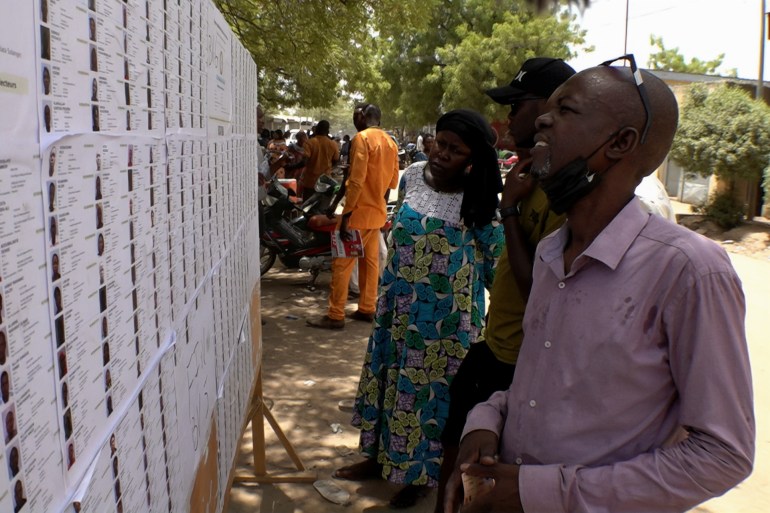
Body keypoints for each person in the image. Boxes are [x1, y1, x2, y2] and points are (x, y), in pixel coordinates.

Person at [444, 57, 755, 513]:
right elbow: (537, 388)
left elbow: (722, 455)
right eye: (547, 107)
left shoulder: (690, 271)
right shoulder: (551, 253)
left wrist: (542, 491)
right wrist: (485, 421)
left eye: (566, 110)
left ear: (620, 142)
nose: (544, 118)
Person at [332, 109, 504, 509]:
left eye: (454, 149)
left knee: (427, 398)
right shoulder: (413, 177)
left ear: (473, 158)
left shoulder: (478, 199)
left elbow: (497, 262)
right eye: (440, 143)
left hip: (443, 326)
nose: (442, 153)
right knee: (389, 378)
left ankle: (420, 476)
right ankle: (378, 458)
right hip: (396, 309)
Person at [434, 57, 575, 512]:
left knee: (487, 477)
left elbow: (541, 286)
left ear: (552, 108)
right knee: (454, 448)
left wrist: (510, 211)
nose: (509, 117)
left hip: (519, 359)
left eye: (518, 105)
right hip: (493, 344)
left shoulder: (559, 190)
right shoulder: (526, 173)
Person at [307, 104, 398, 330]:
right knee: (370, 263)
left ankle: (336, 315)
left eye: (355, 114)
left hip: (356, 215)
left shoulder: (362, 139)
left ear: (363, 117)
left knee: (342, 265)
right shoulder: (390, 143)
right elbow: (392, 183)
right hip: (376, 215)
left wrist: (346, 217)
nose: (353, 118)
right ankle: (367, 308)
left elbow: (356, 181)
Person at [298, 120, 339, 199]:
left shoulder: (310, 142)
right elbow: (336, 161)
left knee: (307, 206)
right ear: (327, 131)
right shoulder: (333, 144)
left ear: (316, 129)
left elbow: (304, 162)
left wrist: (291, 167)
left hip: (310, 182)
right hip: (326, 182)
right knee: (321, 208)